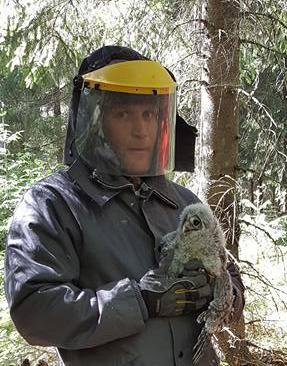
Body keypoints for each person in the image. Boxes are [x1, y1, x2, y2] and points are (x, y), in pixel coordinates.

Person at [4, 46, 245, 366]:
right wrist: (141, 301)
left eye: (148, 114)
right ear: (97, 122)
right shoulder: (55, 204)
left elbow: (231, 278)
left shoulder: (185, 205)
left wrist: (220, 291)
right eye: (123, 114)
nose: (140, 129)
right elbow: (34, 311)